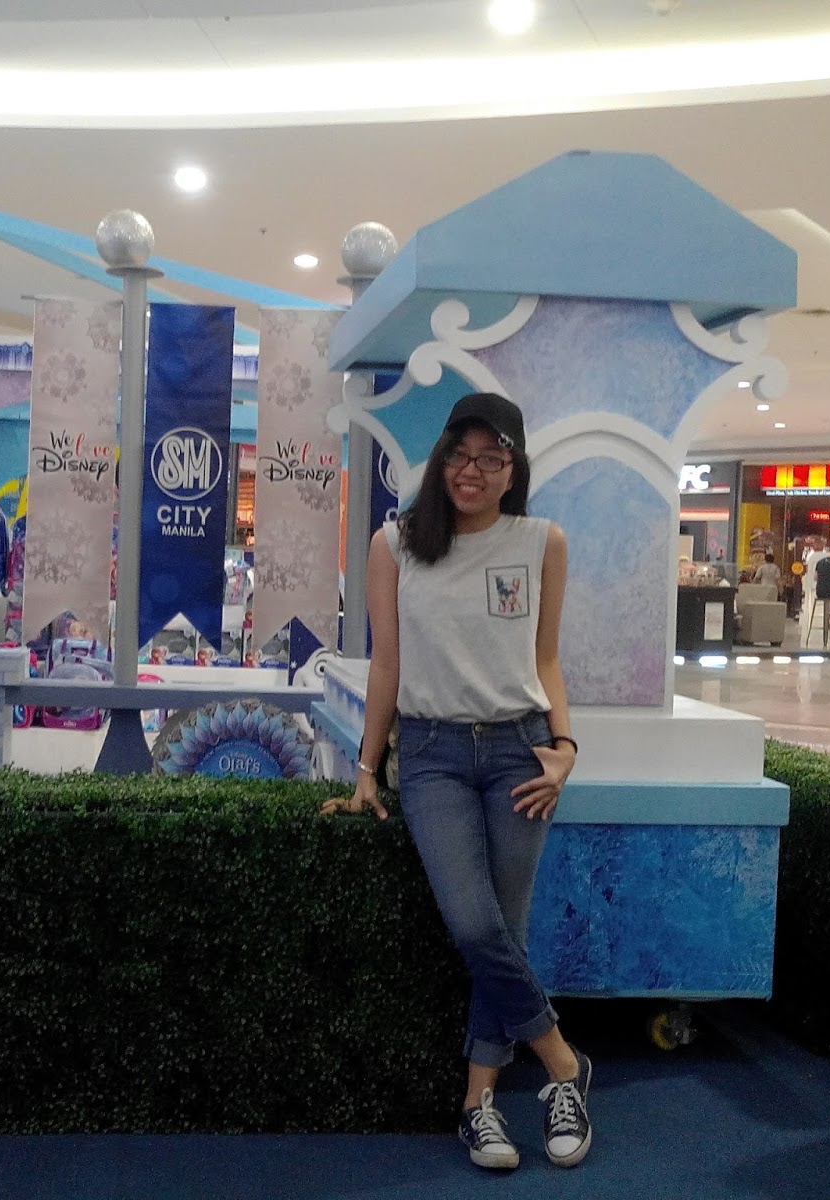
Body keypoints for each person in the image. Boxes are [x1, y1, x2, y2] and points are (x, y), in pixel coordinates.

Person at [320, 392, 591, 1173]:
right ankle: (563, 1063)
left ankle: (479, 1106)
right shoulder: (396, 544)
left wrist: (565, 747)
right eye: (460, 455)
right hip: (432, 754)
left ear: (514, 468)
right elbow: (388, 665)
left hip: (520, 753)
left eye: (491, 458)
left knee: (505, 926)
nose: (472, 471)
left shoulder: (542, 542)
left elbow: (546, 659)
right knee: (476, 925)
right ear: (441, 459)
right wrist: (366, 769)